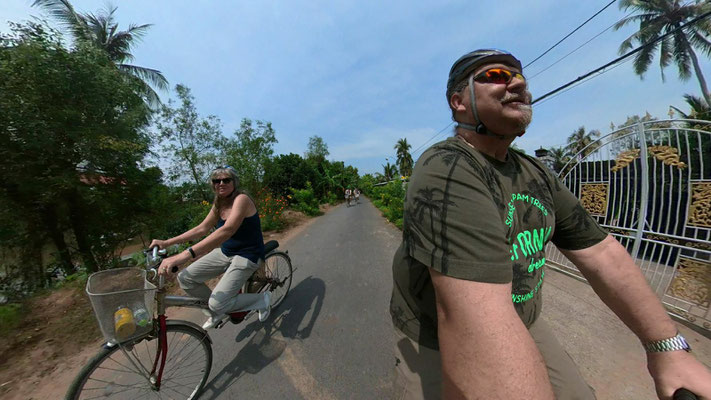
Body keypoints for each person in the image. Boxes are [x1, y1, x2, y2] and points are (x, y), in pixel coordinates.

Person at [389, 49, 711, 399]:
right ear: (459, 102)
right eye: (497, 75)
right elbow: (476, 321)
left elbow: (601, 252)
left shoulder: (535, 172)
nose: (516, 83)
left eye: (520, 78)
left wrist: (667, 346)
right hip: (439, 334)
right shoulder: (448, 168)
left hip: (524, 318)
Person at [151, 166, 271, 329]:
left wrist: (185, 255)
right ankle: (217, 310)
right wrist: (167, 242)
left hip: (247, 254)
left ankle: (261, 300)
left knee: (218, 302)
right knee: (185, 278)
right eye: (216, 180)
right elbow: (201, 229)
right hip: (226, 251)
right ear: (212, 184)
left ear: (234, 182)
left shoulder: (241, 199)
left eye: (226, 180)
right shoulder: (219, 202)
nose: (221, 183)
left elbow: (227, 230)